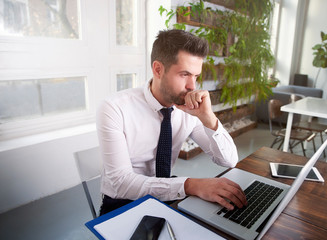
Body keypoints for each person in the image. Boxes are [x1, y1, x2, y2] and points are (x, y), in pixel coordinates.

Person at [96, 29, 247, 216]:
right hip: (123, 201)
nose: (192, 86)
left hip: (167, 191)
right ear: (158, 69)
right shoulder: (114, 108)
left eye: (196, 76)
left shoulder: (189, 108)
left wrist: (208, 118)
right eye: (185, 74)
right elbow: (120, 183)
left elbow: (229, 160)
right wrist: (191, 184)